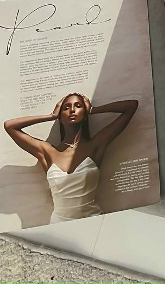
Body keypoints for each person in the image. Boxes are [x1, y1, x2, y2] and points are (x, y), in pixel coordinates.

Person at [3, 93, 138, 223]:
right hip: (58, 224)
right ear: (60, 117)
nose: (72, 110)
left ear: (85, 114)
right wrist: (51, 116)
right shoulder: (48, 152)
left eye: (78, 106)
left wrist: (93, 110)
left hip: (92, 221)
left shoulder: (95, 146)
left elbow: (131, 106)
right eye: (66, 107)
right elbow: (10, 126)